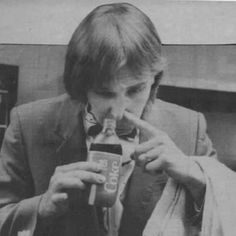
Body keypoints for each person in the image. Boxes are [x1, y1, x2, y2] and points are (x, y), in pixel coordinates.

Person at [0, 3, 219, 236]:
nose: (120, 110)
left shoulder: (190, 128)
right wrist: (40, 208)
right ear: (82, 86)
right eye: (105, 93)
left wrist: (199, 183)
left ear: (154, 80)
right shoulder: (28, 124)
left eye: (135, 90)